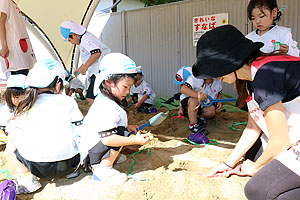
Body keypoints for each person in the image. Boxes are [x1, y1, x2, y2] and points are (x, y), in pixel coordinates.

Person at [192, 25, 300, 199]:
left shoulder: (265, 76)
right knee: (250, 154)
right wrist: (228, 163)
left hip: (290, 138)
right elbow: (253, 126)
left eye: (216, 68)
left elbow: (280, 141)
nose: (215, 75)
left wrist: (256, 168)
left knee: (257, 189)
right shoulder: (249, 76)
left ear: (233, 61)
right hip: (290, 130)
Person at [5, 58, 83, 194]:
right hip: (70, 164)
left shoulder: (25, 105)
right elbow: (81, 129)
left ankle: (27, 181)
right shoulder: (67, 101)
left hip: (38, 168)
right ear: (58, 84)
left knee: (12, 136)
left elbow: (9, 128)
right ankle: (71, 173)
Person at [80, 53, 152, 184]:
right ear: (109, 82)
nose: (128, 92)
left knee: (122, 130)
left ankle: (107, 158)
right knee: (119, 134)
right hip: (90, 155)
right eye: (125, 87)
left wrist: (128, 127)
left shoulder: (106, 99)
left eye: (130, 87)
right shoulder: (106, 106)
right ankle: (103, 168)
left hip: (93, 149)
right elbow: (108, 138)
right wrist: (135, 141)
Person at [60, 21, 111, 104]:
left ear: (74, 35)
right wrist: (80, 69)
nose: (72, 43)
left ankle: (103, 113)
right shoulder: (85, 38)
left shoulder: (85, 40)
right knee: (94, 96)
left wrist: (85, 67)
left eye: (70, 40)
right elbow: (88, 57)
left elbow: (96, 53)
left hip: (99, 71)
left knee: (91, 97)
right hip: (97, 71)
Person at [179, 66, 222, 135]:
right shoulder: (195, 78)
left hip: (204, 103)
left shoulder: (218, 80)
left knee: (211, 111)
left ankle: (200, 119)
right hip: (189, 103)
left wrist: (219, 101)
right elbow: (183, 89)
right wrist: (197, 95)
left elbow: (219, 92)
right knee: (195, 100)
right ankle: (193, 125)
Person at [0, 0, 36, 78]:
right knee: (17, 84)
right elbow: (1, 21)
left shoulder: (10, 2)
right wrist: (4, 46)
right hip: (14, 54)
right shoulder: (4, 1)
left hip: (20, 53)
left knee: (21, 82)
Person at [0, 74, 26, 140]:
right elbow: (1, 129)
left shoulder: (32, 107)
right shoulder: (6, 110)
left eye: (24, 97)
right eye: (16, 97)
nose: (20, 100)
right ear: (8, 96)